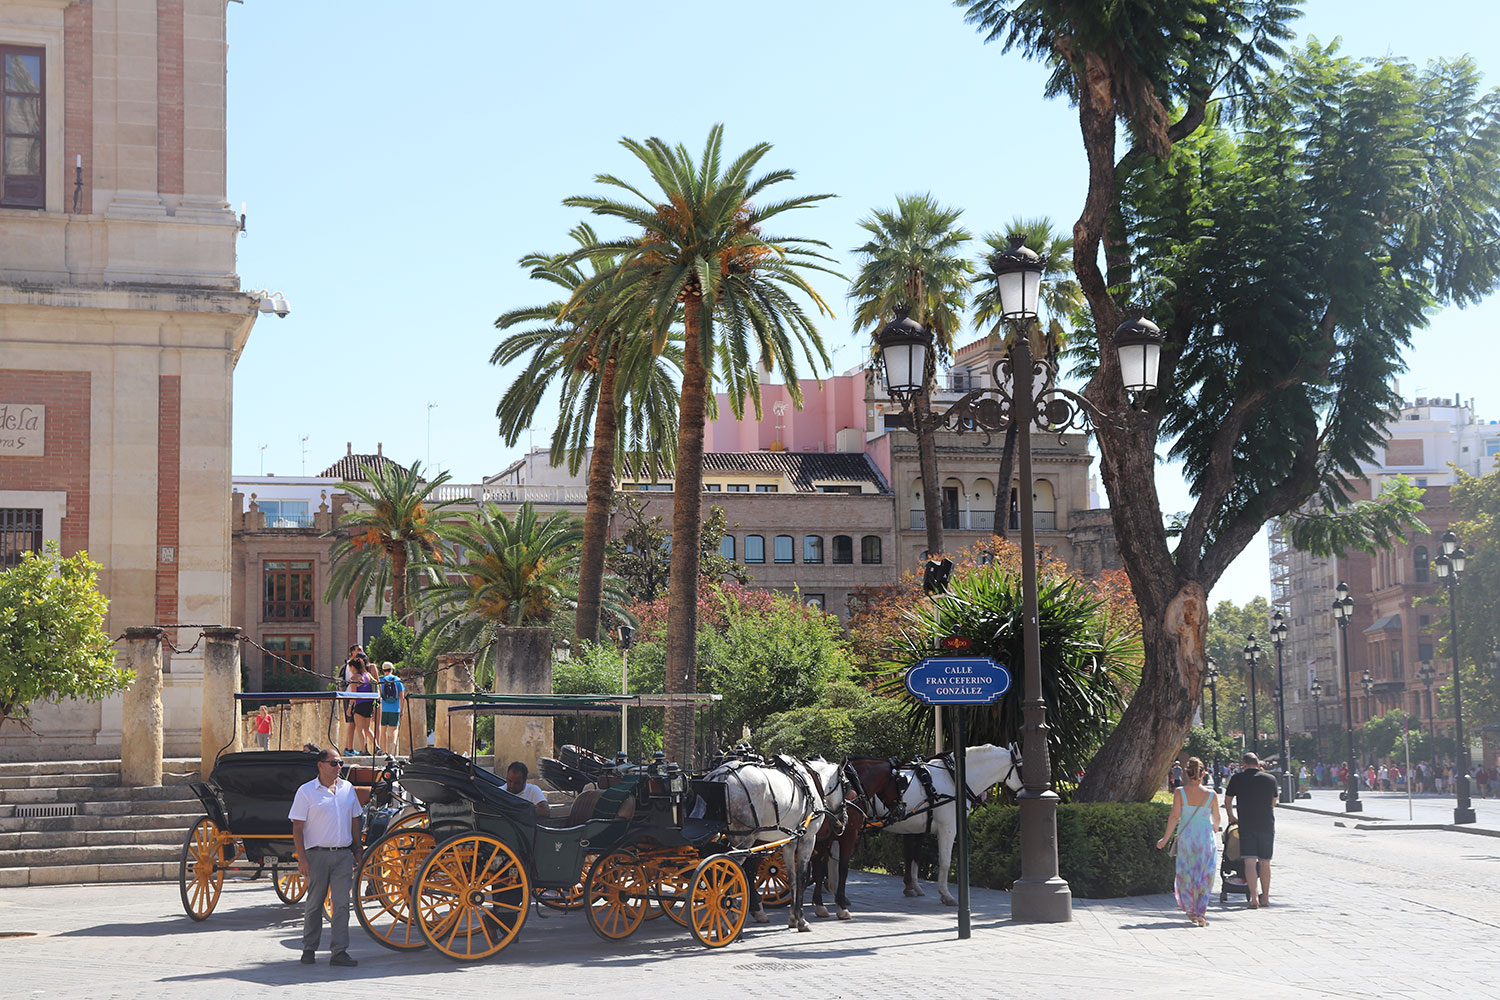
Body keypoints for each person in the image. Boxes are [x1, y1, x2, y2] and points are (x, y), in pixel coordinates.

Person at [289, 746, 362, 967]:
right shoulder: (306, 791)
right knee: (314, 903)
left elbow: (356, 820)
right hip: (317, 856)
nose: (338, 767)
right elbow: (297, 828)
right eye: (334, 763)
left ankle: (339, 951)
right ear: (320, 765)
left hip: (342, 855)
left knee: (341, 904)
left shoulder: (348, 789)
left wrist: (358, 850)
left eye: (340, 763)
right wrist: (302, 858)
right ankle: (309, 948)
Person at [1156, 756, 1221, 926]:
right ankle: (1200, 912)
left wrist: (1165, 838)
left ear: (1186, 773)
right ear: (1203, 773)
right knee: (1204, 876)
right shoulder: (1211, 794)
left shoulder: (1180, 792)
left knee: (1186, 874)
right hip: (1205, 839)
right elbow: (1217, 820)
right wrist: (1214, 826)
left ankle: (1190, 910)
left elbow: (1175, 816)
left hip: (1187, 839)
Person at [1224, 751, 1279, 908]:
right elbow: (1274, 801)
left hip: (1246, 825)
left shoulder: (1237, 778)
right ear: (1259, 764)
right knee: (1265, 863)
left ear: (1244, 765)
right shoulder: (1270, 779)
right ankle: (1266, 898)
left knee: (1249, 862)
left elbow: (1228, 800)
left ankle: (1254, 897)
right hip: (1267, 824)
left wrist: (1231, 815)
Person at [376, 662, 405, 756]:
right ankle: (394, 746)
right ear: (391, 669)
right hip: (395, 709)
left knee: (383, 730)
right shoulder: (397, 680)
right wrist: (402, 710)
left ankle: (385, 751)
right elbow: (402, 697)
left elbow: (378, 696)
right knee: (394, 729)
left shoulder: (380, 680)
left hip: (383, 709)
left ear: (383, 670)